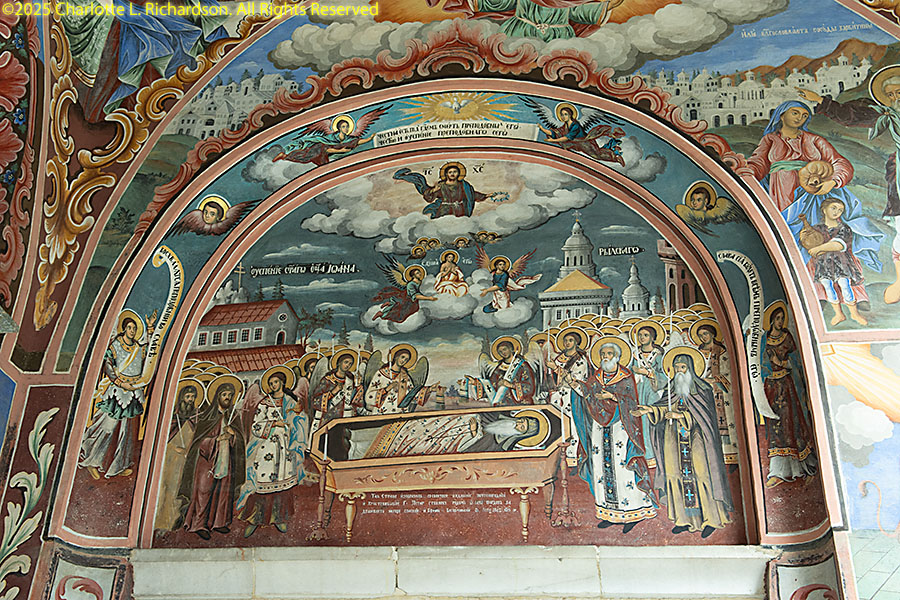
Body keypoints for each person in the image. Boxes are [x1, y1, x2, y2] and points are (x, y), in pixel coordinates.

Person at [798, 70, 900, 303]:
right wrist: (820, 101)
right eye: (891, 95)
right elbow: (852, 115)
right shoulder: (888, 115)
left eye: (899, 92)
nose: (896, 98)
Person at [634, 351, 732, 538]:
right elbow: (664, 406)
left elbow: (706, 417)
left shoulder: (702, 389)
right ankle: (684, 519)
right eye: (676, 368)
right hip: (673, 438)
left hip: (697, 439)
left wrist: (682, 416)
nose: (679, 371)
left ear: (691, 369)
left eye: (682, 367)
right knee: (675, 475)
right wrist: (650, 410)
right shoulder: (672, 388)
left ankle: (711, 518)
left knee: (702, 475)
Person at [574, 340, 656, 533]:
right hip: (599, 427)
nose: (605, 357)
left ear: (617, 357)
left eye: (609, 354)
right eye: (603, 354)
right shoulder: (596, 377)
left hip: (621, 426)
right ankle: (609, 513)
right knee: (601, 466)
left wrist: (611, 397)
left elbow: (631, 402)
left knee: (621, 467)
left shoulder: (626, 377)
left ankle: (632, 512)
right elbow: (588, 393)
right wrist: (576, 385)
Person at [80, 309, 157, 479]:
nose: (132, 331)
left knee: (126, 432)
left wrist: (151, 328)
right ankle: (93, 460)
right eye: (129, 328)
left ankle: (119, 465)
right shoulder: (115, 346)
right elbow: (108, 365)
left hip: (133, 392)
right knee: (108, 427)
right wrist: (119, 382)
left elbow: (151, 352)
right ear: (123, 328)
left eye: (134, 328)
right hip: (117, 392)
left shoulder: (138, 348)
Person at [237, 366, 308, 537]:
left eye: (276, 382)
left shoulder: (291, 401)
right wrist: (274, 424)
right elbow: (256, 426)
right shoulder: (265, 403)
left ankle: (279, 518)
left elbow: (300, 420)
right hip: (267, 447)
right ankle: (255, 518)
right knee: (262, 482)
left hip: (285, 449)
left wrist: (297, 415)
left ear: (282, 383)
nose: (273, 385)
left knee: (282, 485)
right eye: (271, 383)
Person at [748, 101, 853, 212]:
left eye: (804, 116)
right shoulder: (770, 139)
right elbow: (758, 163)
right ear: (782, 115)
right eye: (795, 113)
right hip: (782, 188)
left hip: (811, 189)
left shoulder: (814, 140)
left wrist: (833, 181)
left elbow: (840, 162)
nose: (799, 118)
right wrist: (746, 172)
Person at [178, 376, 246, 540]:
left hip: (226, 458)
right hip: (207, 460)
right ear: (217, 396)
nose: (227, 398)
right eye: (224, 395)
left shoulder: (233, 417)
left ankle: (219, 522)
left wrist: (233, 435)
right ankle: (198, 524)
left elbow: (240, 442)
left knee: (223, 491)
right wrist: (216, 440)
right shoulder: (207, 416)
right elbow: (198, 443)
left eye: (230, 395)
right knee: (203, 491)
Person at [760, 303, 817, 488]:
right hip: (771, 387)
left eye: (782, 318)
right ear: (771, 320)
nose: (780, 322)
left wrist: (781, 362)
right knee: (775, 427)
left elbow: (796, 360)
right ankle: (778, 471)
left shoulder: (787, 337)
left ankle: (803, 467)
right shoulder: (764, 340)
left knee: (792, 423)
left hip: (786, 385)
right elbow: (758, 362)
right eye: (777, 319)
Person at [804, 197, 873, 326]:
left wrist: (818, 248)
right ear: (824, 210)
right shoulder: (816, 229)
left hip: (841, 262)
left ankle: (854, 314)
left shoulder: (844, 228)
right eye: (834, 208)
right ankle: (839, 314)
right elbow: (809, 243)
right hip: (823, 263)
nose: (837, 212)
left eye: (840, 210)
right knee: (827, 286)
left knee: (844, 284)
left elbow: (839, 245)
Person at [425, 0, 624, 41]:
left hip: (559, 37)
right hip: (519, 31)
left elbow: (581, 11)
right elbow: (501, 2)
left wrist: (609, 5)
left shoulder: (570, 1)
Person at [155, 380, 202, 531]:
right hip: (168, 456)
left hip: (184, 459)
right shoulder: (172, 416)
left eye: (193, 397)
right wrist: (171, 447)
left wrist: (188, 451)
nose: (190, 400)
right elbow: (163, 436)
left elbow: (198, 439)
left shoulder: (196, 417)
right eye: (188, 396)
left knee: (176, 491)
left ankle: (169, 522)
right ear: (181, 398)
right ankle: (157, 521)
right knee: (163, 487)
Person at [691, 322, 737, 466]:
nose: (703, 337)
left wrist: (714, 380)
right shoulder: (698, 352)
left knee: (723, 421)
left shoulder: (720, 351)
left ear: (712, 334)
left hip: (720, 393)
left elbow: (728, 373)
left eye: (705, 334)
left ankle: (729, 454)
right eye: (700, 335)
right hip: (703, 392)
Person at [393, 162, 503, 218]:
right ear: (446, 174)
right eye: (450, 172)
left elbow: (471, 194)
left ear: (459, 173)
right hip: (444, 209)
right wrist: (433, 190)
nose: (452, 174)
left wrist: (486, 195)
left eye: (455, 172)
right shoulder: (441, 185)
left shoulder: (463, 185)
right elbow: (429, 198)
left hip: (460, 209)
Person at [548, 328, 592, 465]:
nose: (567, 343)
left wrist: (556, 369)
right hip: (557, 397)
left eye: (571, 340)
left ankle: (572, 458)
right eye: (565, 340)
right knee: (556, 425)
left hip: (571, 396)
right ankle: (556, 458)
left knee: (572, 425)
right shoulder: (558, 358)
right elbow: (551, 378)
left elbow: (577, 379)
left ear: (576, 343)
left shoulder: (580, 359)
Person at [537, 103, 625, 165]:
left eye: (565, 114)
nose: (563, 117)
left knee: (596, 155)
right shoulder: (565, 126)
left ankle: (615, 157)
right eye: (562, 115)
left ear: (570, 115)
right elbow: (556, 132)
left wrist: (553, 140)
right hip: (577, 144)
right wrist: (542, 129)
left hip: (585, 143)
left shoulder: (575, 125)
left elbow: (568, 137)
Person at [363, 345, 431, 414]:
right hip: (382, 413)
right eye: (402, 357)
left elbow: (412, 396)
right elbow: (369, 397)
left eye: (406, 360)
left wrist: (429, 390)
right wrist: (386, 389)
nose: (403, 361)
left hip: (400, 413)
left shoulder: (405, 377)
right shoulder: (381, 374)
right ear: (396, 357)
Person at [310, 349, 361, 433]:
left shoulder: (350, 381)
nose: (348, 365)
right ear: (339, 363)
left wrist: (358, 387)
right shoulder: (327, 380)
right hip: (328, 419)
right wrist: (333, 392)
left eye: (350, 364)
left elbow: (355, 402)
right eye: (346, 362)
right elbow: (315, 401)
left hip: (345, 417)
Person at [477, 250, 542, 313]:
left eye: (503, 264)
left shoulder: (504, 275)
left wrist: (487, 290)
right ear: (496, 266)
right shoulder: (493, 274)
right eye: (500, 264)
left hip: (502, 294)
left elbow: (499, 285)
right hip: (494, 294)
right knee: (486, 309)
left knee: (503, 310)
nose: (502, 266)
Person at [372, 263, 437, 323]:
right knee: (400, 317)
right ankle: (382, 314)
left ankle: (391, 304)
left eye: (419, 272)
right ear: (413, 276)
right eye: (417, 273)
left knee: (412, 310)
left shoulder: (420, 282)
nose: (420, 274)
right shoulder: (411, 284)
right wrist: (429, 298)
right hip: (407, 302)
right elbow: (415, 295)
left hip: (413, 302)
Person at [486, 337, 537, 405]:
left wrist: (511, 385)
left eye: (505, 349)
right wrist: (498, 384)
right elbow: (491, 384)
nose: (503, 353)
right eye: (500, 352)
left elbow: (529, 388)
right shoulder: (499, 368)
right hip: (503, 403)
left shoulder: (522, 365)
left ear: (511, 349)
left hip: (520, 403)